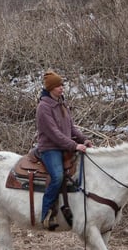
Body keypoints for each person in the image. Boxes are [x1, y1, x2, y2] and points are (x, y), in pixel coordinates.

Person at [35, 70, 93, 230]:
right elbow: (54, 134)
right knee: (58, 176)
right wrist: (74, 146)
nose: (62, 88)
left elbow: (71, 128)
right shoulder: (43, 107)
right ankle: (46, 214)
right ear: (50, 88)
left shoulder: (61, 103)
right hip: (50, 148)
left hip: (64, 145)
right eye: (58, 85)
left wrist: (83, 140)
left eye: (62, 85)